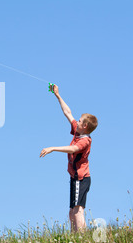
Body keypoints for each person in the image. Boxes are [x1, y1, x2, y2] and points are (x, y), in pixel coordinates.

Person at [39, 85, 98, 232]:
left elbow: (73, 149)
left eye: (79, 121)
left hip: (81, 178)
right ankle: (74, 239)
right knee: (72, 212)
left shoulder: (85, 141)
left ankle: (82, 239)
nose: (76, 122)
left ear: (84, 126)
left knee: (78, 211)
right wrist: (57, 95)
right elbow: (68, 112)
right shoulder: (78, 132)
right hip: (74, 178)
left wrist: (52, 148)